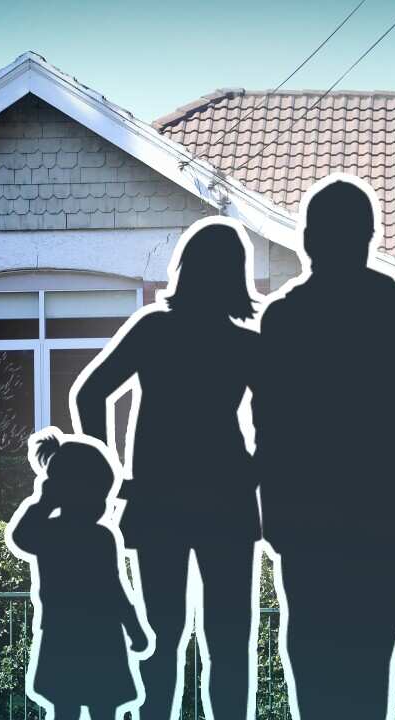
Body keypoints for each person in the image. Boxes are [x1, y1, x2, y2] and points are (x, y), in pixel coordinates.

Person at [251, 175, 395, 720]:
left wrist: (270, 511)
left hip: (306, 516)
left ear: (308, 240)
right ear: (368, 237)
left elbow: (268, 426)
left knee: (310, 656)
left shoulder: (285, 318)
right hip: (377, 516)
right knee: (368, 660)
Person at [73, 219, 261, 720]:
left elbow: (89, 394)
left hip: (158, 502)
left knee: (159, 635)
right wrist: (256, 471)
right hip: (228, 503)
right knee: (229, 639)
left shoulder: (153, 328)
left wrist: (108, 475)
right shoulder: (247, 345)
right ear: (235, 275)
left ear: (187, 268)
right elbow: (283, 423)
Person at [6, 431, 149, 720]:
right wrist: (134, 629)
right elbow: (114, 588)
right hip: (101, 636)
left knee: (65, 708)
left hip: (64, 633)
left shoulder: (52, 532)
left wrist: (44, 501)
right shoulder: (100, 537)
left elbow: (22, 537)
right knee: (102, 708)